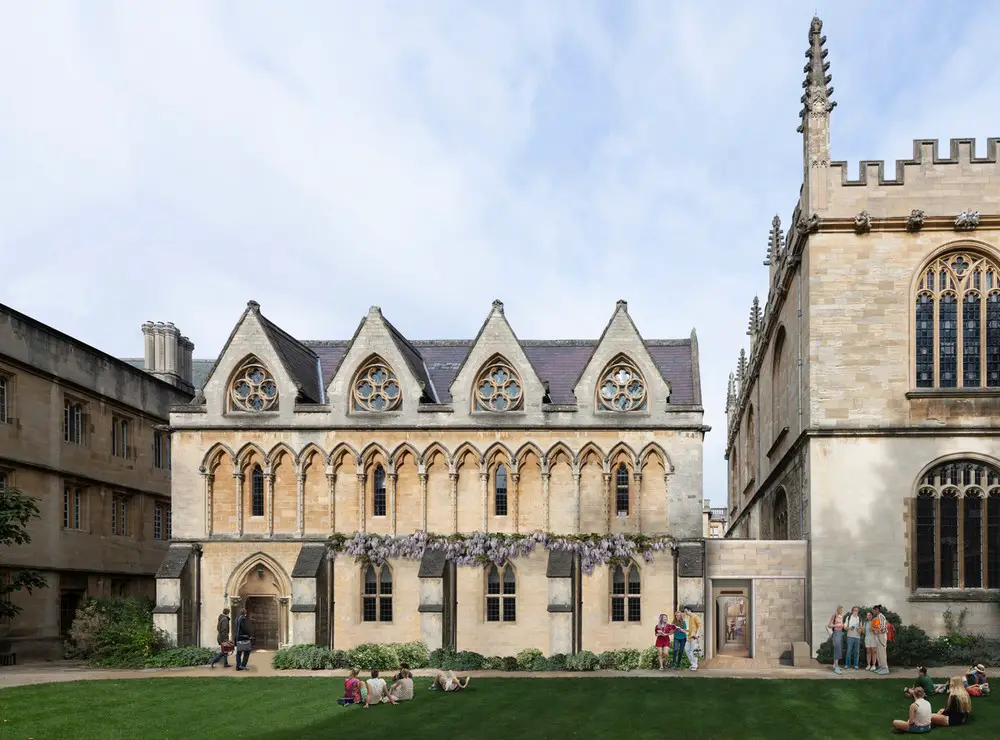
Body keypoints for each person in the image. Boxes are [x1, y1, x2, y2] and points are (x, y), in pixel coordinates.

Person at [871, 604, 889, 675]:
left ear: (877, 610)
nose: (873, 612)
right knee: (878, 652)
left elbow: (883, 628)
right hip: (878, 636)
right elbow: (879, 627)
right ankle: (881, 666)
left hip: (881, 636)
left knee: (882, 652)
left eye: (873, 610)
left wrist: (875, 628)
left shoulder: (881, 617)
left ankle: (885, 668)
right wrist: (875, 629)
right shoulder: (878, 617)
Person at [827, 606, 845, 674]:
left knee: (839, 649)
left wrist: (842, 625)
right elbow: (829, 625)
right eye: (840, 610)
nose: (841, 611)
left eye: (842, 610)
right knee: (837, 649)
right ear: (837, 610)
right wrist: (836, 625)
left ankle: (835, 665)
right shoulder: (834, 616)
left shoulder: (841, 616)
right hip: (836, 634)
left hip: (840, 633)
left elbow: (841, 625)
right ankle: (836, 667)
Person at [234, 607, 252, 671]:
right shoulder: (243, 619)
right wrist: (249, 635)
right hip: (242, 637)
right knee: (247, 651)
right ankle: (243, 665)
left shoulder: (236, 619)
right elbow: (245, 629)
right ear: (245, 613)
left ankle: (238, 666)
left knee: (239, 652)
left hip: (237, 638)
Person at [684, 606, 702, 672]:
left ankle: (694, 666)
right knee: (686, 649)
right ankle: (693, 663)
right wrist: (685, 631)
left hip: (694, 636)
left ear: (689, 610)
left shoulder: (695, 616)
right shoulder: (690, 618)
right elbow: (691, 628)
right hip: (689, 637)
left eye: (686, 611)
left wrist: (697, 634)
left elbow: (699, 625)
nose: (685, 613)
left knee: (693, 651)